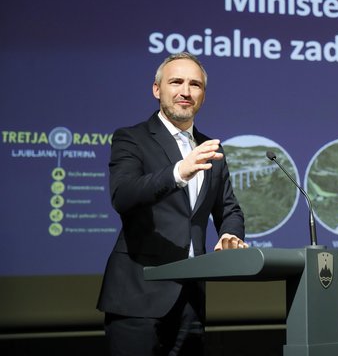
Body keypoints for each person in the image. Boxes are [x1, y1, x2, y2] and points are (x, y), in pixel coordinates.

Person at [97, 52, 248, 355]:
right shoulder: (132, 138)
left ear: (203, 95)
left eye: (195, 85)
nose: (185, 91)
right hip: (138, 297)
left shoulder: (210, 150)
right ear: (157, 90)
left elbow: (229, 208)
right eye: (176, 82)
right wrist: (179, 172)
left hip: (191, 300)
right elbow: (123, 195)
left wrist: (230, 234)